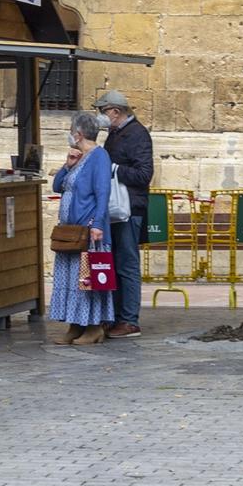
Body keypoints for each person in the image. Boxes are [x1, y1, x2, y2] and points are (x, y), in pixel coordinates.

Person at [48, 111, 114, 346]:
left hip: (88, 231)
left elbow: (103, 192)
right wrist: (67, 166)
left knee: (88, 280)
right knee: (71, 280)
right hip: (70, 232)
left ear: (78, 134)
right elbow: (58, 186)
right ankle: (75, 325)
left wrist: (97, 223)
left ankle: (94, 327)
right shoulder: (79, 158)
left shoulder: (99, 157)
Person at [95, 89, 154, 339]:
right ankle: (118, 316)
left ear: (115, 112)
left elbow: (143, 174)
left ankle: (129, 320)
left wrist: (114, 169)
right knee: (117, 262)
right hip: (118, 209)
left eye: (103, 112)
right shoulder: (116, 134)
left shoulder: (137, 134)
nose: (100, 117)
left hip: (130, 208)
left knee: (127, 264)